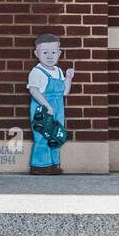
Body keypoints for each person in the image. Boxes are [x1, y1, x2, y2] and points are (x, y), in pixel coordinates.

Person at [27, 32, 74, 175]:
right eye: (45, 52)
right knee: (42, 134)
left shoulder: (59, 71)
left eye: (53, 52)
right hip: (42, 108)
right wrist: (47, 106)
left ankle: (54, 164)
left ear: (59, 53)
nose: (49, 56)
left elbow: (64, 92)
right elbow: (34, 91)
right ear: (37, 53)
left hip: (58, 108)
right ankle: (39, 166)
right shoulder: (37, 72)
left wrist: (68, 78)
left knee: (55, 135)